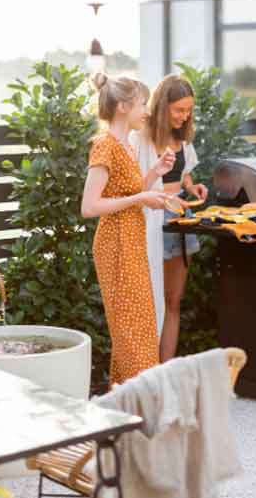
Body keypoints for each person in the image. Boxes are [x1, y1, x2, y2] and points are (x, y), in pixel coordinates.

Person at [80, 73, 175, 388]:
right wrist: (141, 197)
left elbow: (126, 193)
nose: (147, 111)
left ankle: (125, 406)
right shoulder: (105, 146)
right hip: (115, 243)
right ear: (122, 107)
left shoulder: (126, 145)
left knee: (141, 325)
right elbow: (90, 206)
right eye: (142, 104)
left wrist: (154, 174)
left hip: (131, 241)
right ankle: (141, 404)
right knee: (131, 330)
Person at [133, 75, 207, 362]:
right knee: (151, 301)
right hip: (153, 218)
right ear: (162, 107)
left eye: (188, 110)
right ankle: (146, 367)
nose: (184, 116)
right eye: (178, 110)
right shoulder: (140, 138)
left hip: (180, 218)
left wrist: (192, 187)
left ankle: (165, 369)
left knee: (173, 300)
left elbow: (184, 172)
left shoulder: (182, 141)